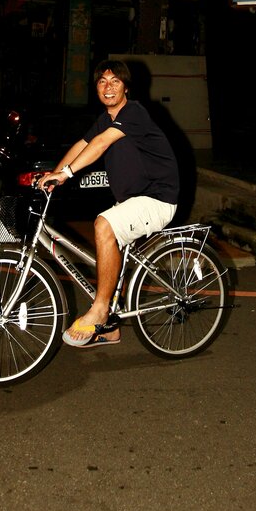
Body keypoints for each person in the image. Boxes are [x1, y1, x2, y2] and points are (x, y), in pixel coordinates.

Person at [37, 59, 179, 348]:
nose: (108, 86)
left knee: (103, 225)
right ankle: (111, 328)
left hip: (157, 198)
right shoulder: (106, 118)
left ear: (126, 87)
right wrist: (55, 174)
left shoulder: (134, 112)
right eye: (102, 81)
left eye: (115, 81)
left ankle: (100, 309)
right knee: (110, 260)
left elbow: (101, 144)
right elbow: (83, 144)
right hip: (131, 200)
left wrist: (66, 173)